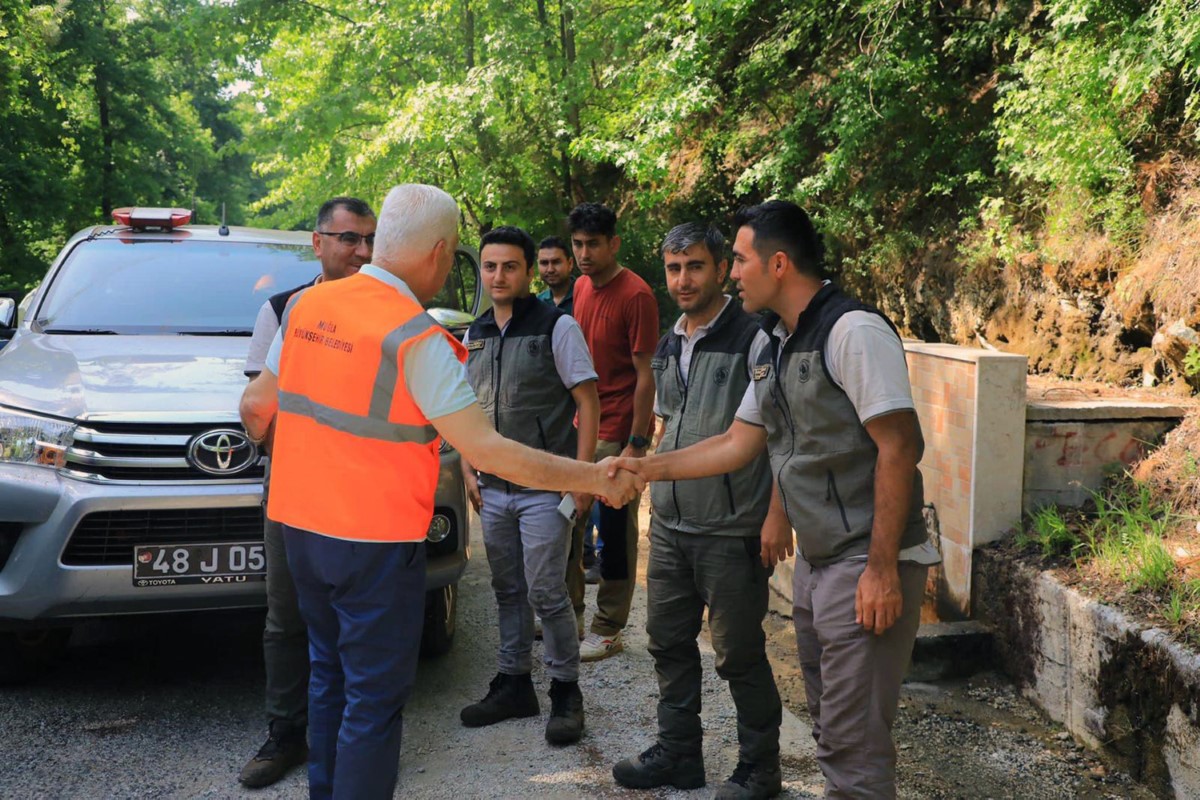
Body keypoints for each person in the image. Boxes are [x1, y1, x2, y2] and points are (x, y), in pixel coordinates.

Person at [239, 184, 641, 800]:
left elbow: (255, 408)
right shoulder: (414, 337)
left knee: (328, 677)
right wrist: (593, 477)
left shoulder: (304, 307)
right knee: (372, 699)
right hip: (373, 544)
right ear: (439, 253)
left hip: (298, 528)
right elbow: (489, 451)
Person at [610, 200, 939, 799]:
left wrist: (881, 569)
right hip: (817, 561)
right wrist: (642, 468)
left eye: (738, 261)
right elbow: (737, 443)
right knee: (831, 727)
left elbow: (900, 448)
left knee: (854, 744)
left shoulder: (853, 332)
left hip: (863, 561)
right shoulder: (773, 344)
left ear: (779, 264)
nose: (732, 273)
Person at [612, 223, 785, 799]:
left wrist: (776, 514)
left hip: (732, 529)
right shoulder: (670, 342)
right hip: (670, 526)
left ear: (720, 270)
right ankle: (679, 754)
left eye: (695, 266)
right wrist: (638, 470)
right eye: (673, 269)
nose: (683, 280)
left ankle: (760, 767)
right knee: (667, 642)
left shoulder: (756, 337)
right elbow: (669, 425)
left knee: (738, 653)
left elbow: (780, 437)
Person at [238, 196, 376, 789]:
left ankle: (355, 738)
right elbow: (259, 406)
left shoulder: (386, 311)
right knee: (287, 616)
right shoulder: (283, 309)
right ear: (317, 243)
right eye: (349, 239)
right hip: (294, 492)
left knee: (361, 617)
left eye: (369, 239)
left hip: (366, 492)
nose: (362, 251)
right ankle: (286, 733)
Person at [458, 225, 600, 745]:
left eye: (510, 267)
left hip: (545, 489)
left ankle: (565, 690)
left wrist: (582, 479)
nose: (499, 276)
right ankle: (514, 683)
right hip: (493, 489)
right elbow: (465, 409)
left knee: (546, 590)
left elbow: (588, 401)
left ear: (526, 272)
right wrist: (467, 467)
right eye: (490, 266)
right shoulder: (474, 334)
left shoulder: (556, 326)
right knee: (508, 590)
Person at [565, 201, 660, 662]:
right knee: (567, 522)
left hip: (619, 429)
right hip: (582, 426)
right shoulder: (580, 286)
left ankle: (609, 627)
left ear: (613, 244)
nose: (584, 254)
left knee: (615, 532)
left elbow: (646, 374)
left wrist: (637, 443)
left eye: (593, 244)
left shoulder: (636, 294)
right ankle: (570, 616)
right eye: (578, 244)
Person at [535, 235, 576, 314]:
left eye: (556, 262)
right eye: (544, 263)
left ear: (570, 264)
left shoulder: (584, 296)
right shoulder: (537, 304)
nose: (550, 269)